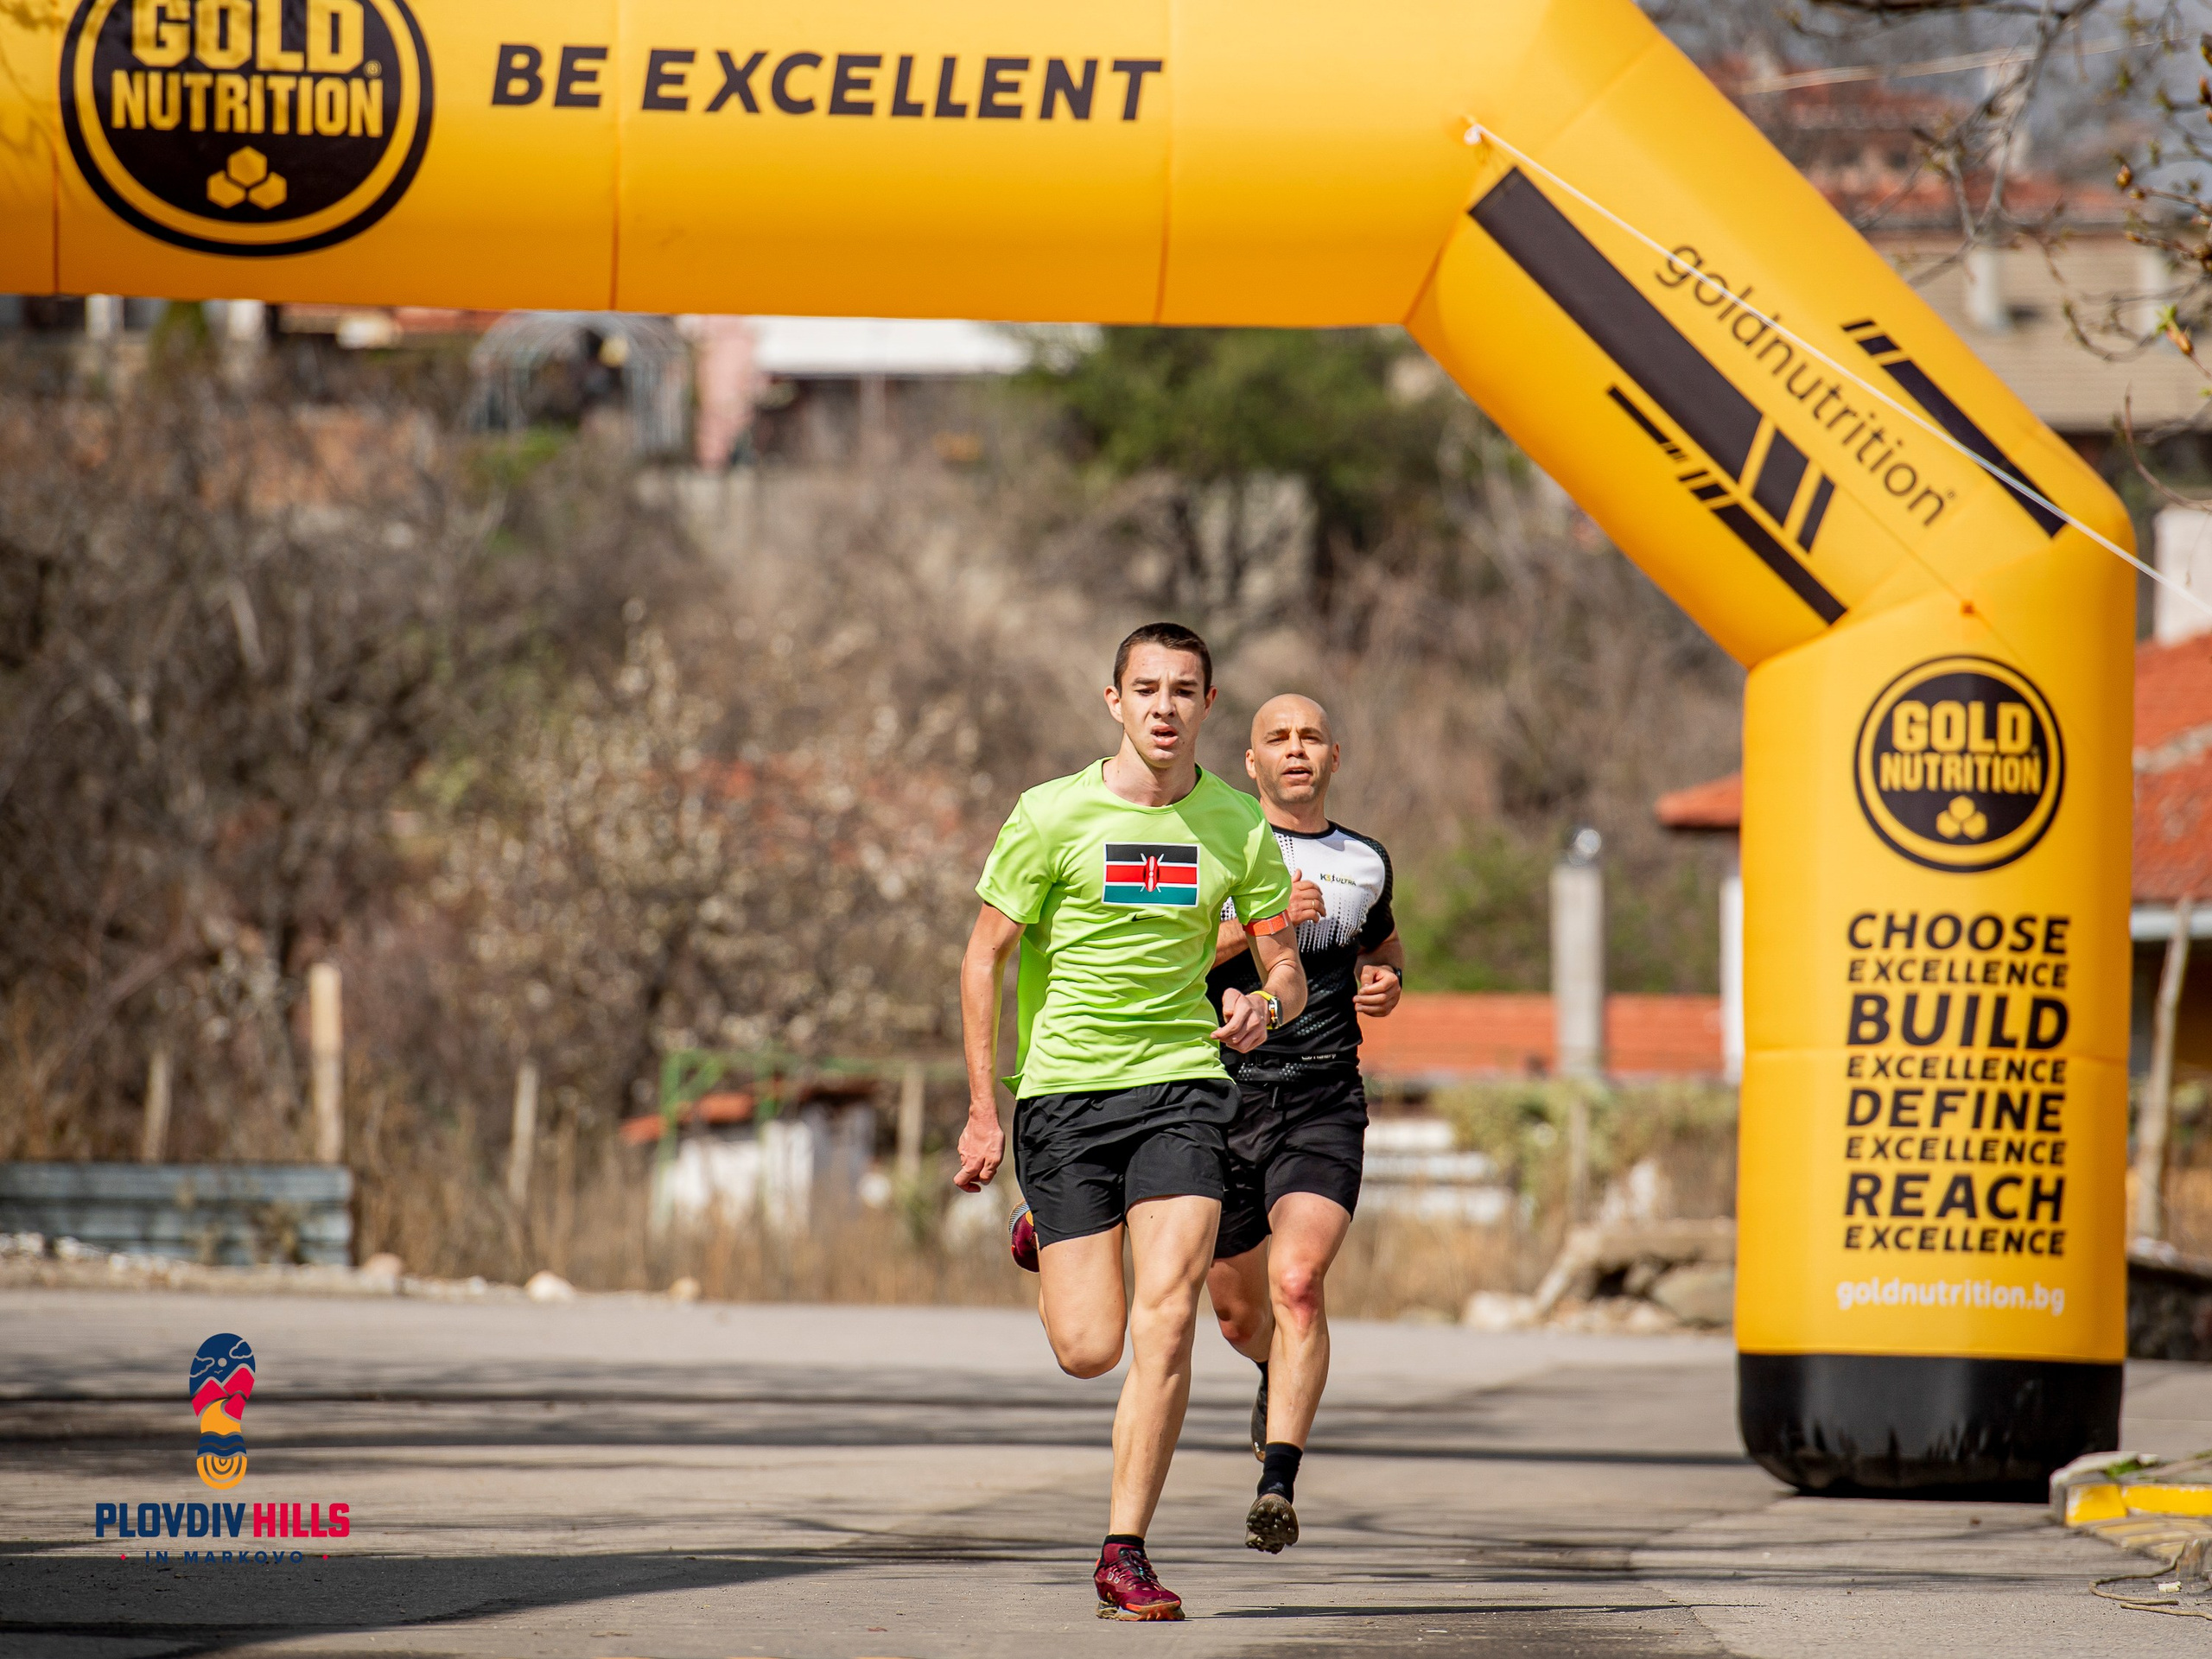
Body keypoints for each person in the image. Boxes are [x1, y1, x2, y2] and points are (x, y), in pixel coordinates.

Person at [954, 622, 1308, 1622]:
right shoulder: (1050, 815)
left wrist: (1265, 1005)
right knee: (1088, 1348)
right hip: (1064, 1097)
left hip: (1181, 1089)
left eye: (1183, 690)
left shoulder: (1238, 826)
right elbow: (983, 957)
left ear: (1206, 706)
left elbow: (1285, 964)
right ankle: (1046, 1227)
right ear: (1114, 701)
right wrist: (983, 1111)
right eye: (1145, 688)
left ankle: (1125, 1552)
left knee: (1168, 1315)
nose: (1163, 706)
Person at [1203, 693, 1403, 1555]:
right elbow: (1164, 950)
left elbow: (1383, 948)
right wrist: (1262, 919)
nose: (1295, 750)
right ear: (1250, 762)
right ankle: (1267, 1368)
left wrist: (1387, 982)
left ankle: (1277, 1484)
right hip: (1221, 1096)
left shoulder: (1366, 859)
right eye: (1276, 739)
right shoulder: (1218, 844)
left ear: (1333, 756)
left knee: (1297, 1285)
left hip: (1323, 1096)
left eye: (1310, 737)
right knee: (1238, 1315)